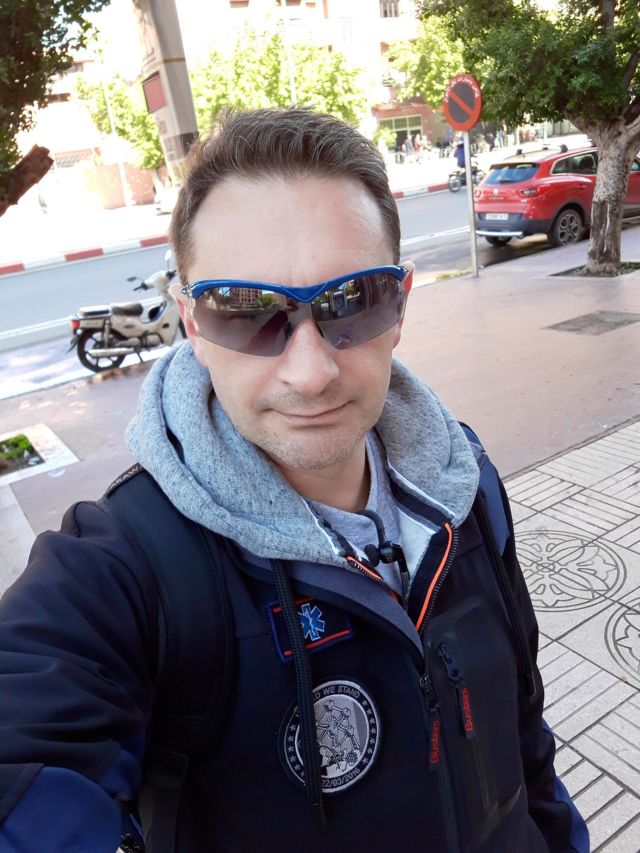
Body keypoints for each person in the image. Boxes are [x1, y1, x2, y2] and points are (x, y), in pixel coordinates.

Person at [0, 108, 588, 852]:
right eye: (246, 312)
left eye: (354, 300)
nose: (310, 373)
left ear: (400, 305)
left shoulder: (465, 487)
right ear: (191, 323)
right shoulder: (128, 570)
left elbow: (525, 735)